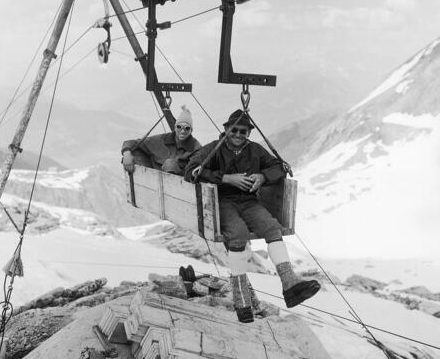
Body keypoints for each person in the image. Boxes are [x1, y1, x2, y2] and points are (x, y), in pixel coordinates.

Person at [184, 109, 320, 323]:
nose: (238, 135)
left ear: (248, 133)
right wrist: (226, 178)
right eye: (234, 130)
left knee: (272, 227)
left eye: (243, 132)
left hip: (249, 201)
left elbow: (279, 166)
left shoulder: (255, 150)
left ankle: (289, 284)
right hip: (224, 202)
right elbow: (191, 170)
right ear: (226, 129)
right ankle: (241, 299)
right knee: (237, 235)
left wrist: (263, 176)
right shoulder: (214, 149)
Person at [122, 105, 201, 175]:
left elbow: (197, 167)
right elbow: (134, 143)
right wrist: (127, 153)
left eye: (187, 128)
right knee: (134, 156)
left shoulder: (195, 148)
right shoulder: (161, 140)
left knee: (170, 164)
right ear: (175, 127)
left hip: (178, 184)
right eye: (179, 127)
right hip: (154, 180)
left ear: (191, 131)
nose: (182, 131)